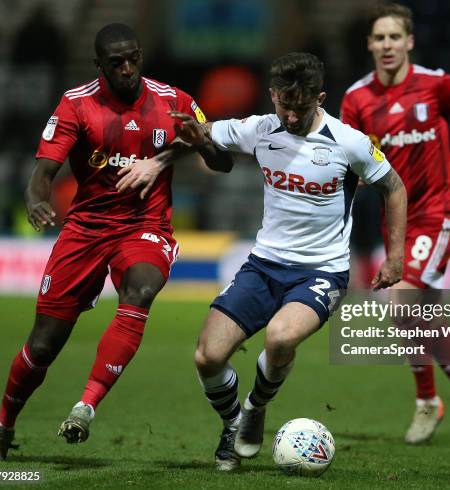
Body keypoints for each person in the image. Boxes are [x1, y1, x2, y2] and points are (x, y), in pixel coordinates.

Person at [119, 51, 407, 470]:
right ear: (272, 95)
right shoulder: (259, 129)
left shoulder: (349, 142)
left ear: (320, 98)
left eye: (302, 107)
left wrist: (395, 255)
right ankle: (233, 423)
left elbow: (394, 188)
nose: (291, 116)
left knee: (280, 338)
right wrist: (158, 160)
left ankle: (255, 407)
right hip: (263, 265)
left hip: (322, 270)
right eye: (284, 105)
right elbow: (202, 134)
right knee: (207, 357)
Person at [0, 23, 230, 462]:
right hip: (86, 230)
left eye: (134, 57)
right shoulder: (77, 105)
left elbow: (221, 162)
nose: (128, 68)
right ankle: (3, 426)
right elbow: (42, 176)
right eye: (117, 62)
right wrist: (37, 203)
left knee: (142, 288)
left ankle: (85, 405)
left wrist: (202, 142)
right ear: (99, 65)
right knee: (43, 345)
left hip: (144, 225)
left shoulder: (174, 100)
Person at [340, 2, 450, 445]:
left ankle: (428, 402)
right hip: (395, 221)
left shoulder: (437, 85)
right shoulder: (356, 99)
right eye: (379, 38)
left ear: (409, 41)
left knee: (401, 305)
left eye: (394, 37)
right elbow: (346, 160)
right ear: (369, 44)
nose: (386, 45)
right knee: (416, 316)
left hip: (438, 215)